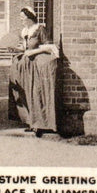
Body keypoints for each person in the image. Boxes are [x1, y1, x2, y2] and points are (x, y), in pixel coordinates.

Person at [8, 7, 59, 137]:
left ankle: (41, 124)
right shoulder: (25, 31)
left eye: (23, 18)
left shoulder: (39, 29)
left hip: (37, 67)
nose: (21, 20)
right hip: (26, 67)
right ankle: (31, 122)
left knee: (36, 93)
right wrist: (15, 49)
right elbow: (25, 48)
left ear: (30, 17)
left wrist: (33, 52)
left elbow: (49, 47)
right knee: (24, 92)